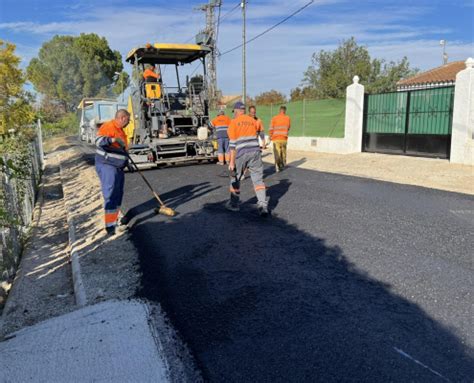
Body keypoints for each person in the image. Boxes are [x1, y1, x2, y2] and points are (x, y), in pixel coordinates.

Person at [227, 101, 268, 216]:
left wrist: (231, 162)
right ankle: (263, 205)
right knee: (258, 180)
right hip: (255, 153)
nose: (233, 113)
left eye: (234, 111)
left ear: (236, 111)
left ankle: (234, 205)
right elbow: (259, 132)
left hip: (241, 154)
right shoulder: (253, 121)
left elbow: (233, 145)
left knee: (235, 179)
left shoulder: (233, 123)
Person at [95, 109, 131, 235]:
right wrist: (112, 140)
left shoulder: (121, 130)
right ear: (122, 118)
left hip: (118, 167)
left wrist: (127, 163)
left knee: (118, 193)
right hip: (107, 165)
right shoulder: (108, 126)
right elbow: (99, 141)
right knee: (110, 193)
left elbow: (122, 151)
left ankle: (116, 218)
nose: (129, 122)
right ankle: (110, 226)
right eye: (128, 119)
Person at [269, 106, 291, 172]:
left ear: (279, 110)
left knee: (277, 153)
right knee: (283, 152)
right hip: (284, 138)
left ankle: (277, 166)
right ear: (285, 111)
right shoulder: (287, 118)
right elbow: (288, 127)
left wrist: (270, 136)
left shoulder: (274, 118)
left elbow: (271, 128)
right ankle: (283, 162)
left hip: (276, 139)